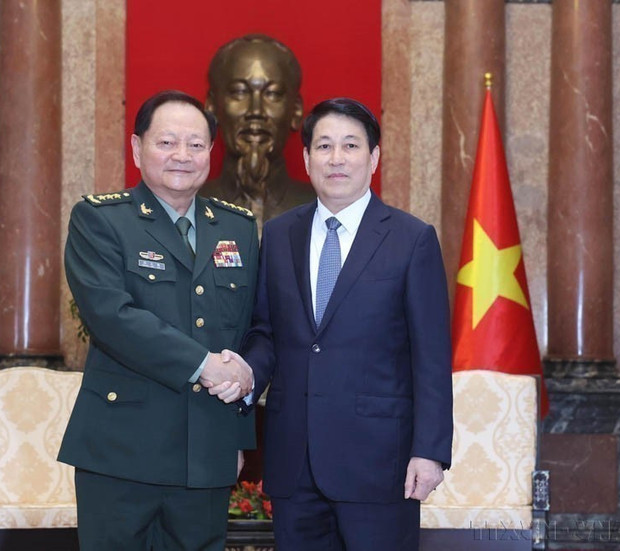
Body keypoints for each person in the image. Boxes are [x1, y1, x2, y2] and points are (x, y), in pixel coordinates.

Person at [216, 98, 453, 550]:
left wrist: (430, 450)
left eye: (350, 145)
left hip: (380, 464)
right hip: (293, 461)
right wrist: (245, 378)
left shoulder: (411, 238)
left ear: (374, 157)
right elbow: (266, 330)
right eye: (324, 146)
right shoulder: (281, 233)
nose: (337, 158)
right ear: (306, 158)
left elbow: (432, 356)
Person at [58, 90, 259, 551]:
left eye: (195, 144)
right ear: (136, 148)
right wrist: (204, 365)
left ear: (211, 152)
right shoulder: (100, 218)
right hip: (121, 451)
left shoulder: (237, 228)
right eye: (167, 142)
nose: (182, 156)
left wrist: (237, 439)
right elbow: (113, 317)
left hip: (206, 451)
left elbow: (245, 332)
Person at [201, 34, 316, 225]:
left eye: (272, 94)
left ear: (296, 111)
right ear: (212, 107)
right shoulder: (187, 208)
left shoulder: (322, 210)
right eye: (239, 92)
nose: (256, 111)